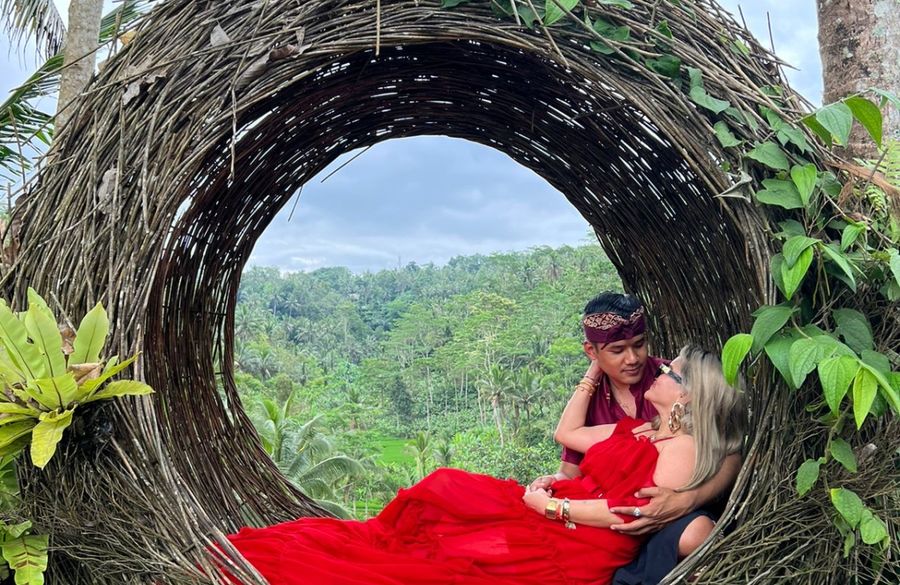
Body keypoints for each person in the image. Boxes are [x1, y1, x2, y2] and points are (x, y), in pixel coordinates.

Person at [219, 346, 746, 585]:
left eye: (672, 371)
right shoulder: (642, 428)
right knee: (444, 486)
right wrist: (592, 369)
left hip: (579, 540)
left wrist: (551, 508)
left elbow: (629, 516)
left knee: (444, 542)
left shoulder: (680, 449)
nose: (658, 367)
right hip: (560, 509)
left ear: (686, 397)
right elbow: (567, 435)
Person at [529, 293, 742, 583]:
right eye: (617, 350)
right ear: (591, 351)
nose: (632, 359)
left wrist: (689, 499)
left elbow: (728, 451)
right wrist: (551, 485)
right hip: (591, 519)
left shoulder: (673, 381)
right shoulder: (601, 405)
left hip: (636, 529)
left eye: (639, 344)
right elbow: (568, 461)